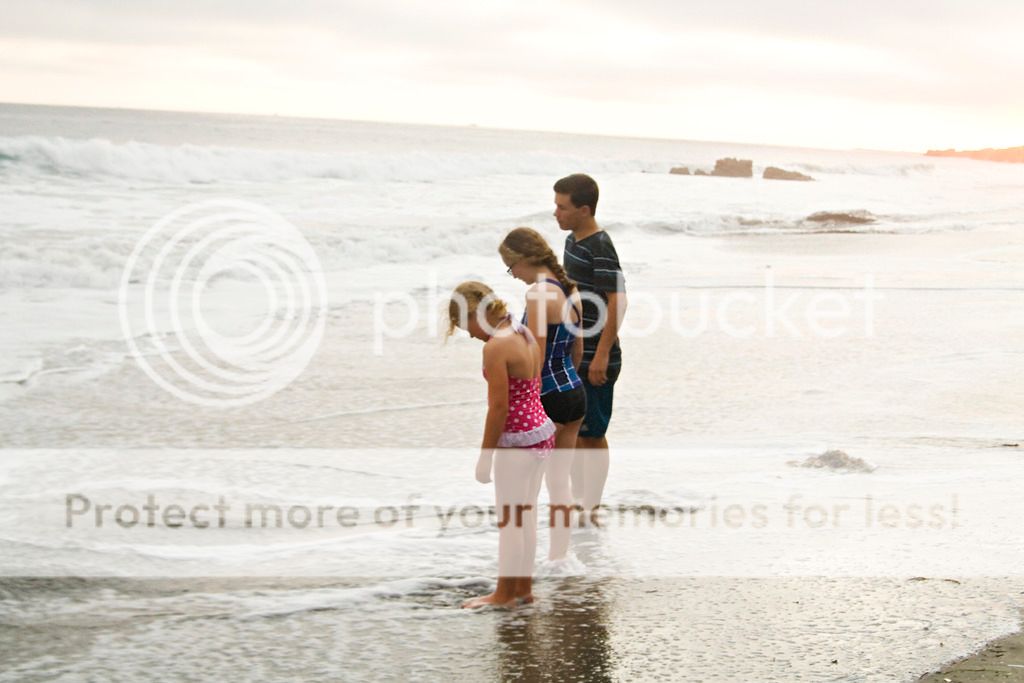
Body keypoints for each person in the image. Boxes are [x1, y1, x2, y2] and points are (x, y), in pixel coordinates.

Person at [448, 281, 555, 608]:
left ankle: (503, 595)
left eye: (465, 326)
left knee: (510, 521)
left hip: (517, 441)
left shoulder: (495, 347)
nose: (469, 335)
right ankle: (522, 588)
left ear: (474, 315)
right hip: (541, 431)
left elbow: (499, 408)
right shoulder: (522, 332)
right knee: (526, 515)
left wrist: (485, 457)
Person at [499, 227, 585, 560]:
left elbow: (534, 355)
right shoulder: (570, 289)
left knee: (528, 492)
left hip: (547, 397)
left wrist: (527, 404)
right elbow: (577, 349)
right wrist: (566, 385)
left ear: (524, 259)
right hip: (574, 393)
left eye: (511, 267)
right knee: (560, 483)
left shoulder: (538, 295)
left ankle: (524, 565)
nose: (514, 275)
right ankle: (559, 560)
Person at [552, 173, 626, 527]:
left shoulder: (600, 246)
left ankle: (591, 508)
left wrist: (601, 355)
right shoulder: (572, 241)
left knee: (593, 435)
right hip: (575, 352)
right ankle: (577, 502)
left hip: (599, 355)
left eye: (562, 207)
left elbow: (618, 300)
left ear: (584, 210)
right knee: (573, 432)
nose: (556, 213)